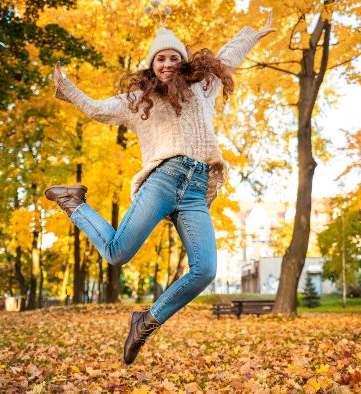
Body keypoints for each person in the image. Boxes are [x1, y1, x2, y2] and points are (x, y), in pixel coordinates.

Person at [46, 10, 276, 364]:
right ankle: (74, 203)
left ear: (183, 62)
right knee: (117, 253)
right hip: (163, 181)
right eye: (161, 58)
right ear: (152, 65)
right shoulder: (138, 99)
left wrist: (253, 34)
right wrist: (66, 87)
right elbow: (95, 109)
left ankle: (146, 321)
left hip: (197, 189)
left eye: (174, 57)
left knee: (206, 270)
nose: (167, 63)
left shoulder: (203, 87)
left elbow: (227, 58)